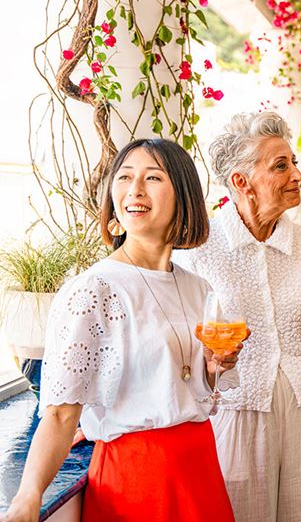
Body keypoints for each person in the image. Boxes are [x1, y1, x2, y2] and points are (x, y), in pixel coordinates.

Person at [2, 139, 244, 522]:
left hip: (200, 467)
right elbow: (62, 414)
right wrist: (28, 496)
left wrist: (214, 367)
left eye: (153, 177)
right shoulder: (93, 290)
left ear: (184, 195)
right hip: (137, 478)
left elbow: (191, 385)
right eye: (125, 177)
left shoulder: (199, 288)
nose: (135, 189)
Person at [173, 112, 301, 522]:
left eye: (293, 161)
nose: (297, 173)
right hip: (234, 411)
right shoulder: (196, 252)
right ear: (241, 182)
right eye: (281, 165)